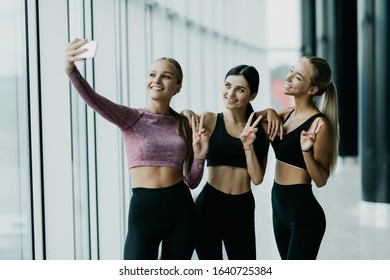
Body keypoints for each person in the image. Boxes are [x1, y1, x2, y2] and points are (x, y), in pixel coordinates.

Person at [64, 38, 209, 260]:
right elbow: (94, 100)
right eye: (152, 74)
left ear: (177, 87)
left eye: (166, 76)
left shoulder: (184, 124)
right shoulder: (132, 118)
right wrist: (71, 70)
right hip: (144, 210)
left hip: (181, 210)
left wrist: (200, 155)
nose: (157, 80)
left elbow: (191, 182)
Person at [183, 65, 281, 260]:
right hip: (209, 206)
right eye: (228, 86)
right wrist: (186, 112)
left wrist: (248, 145)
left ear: (252, 95)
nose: (230, 93)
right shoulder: (209, 120)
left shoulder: (259, 128)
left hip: (242, 208)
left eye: (240, 89)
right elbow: (181, 118)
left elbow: (257, 178)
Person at [266, 55, 339, 260]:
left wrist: (306, 151)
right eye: (291, 70)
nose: (288, 77)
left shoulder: (319, 124)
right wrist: (270, 111)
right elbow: (250, 119)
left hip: (303, 214)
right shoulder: (286, 114)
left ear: (312, 90)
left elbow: (321, 179)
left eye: (297, 77)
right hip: (278, 203)